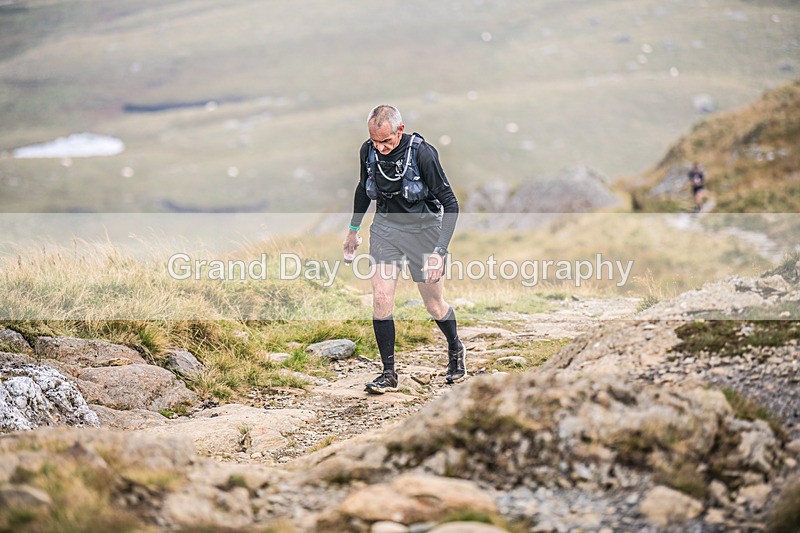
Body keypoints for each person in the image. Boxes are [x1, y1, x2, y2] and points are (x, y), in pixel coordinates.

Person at [343, 105, 466, 394]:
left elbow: (451, 204)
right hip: (386, 231)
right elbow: (364, 189)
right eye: (375, 141)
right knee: (381, 300)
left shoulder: (423, 153)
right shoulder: (368, 151)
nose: (381, 148)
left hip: (424, 234)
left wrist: (439, 252)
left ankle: (455, 348)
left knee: (434, 305)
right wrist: (353, 229)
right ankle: (388, 374)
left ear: (400, 129)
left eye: (386, 141)